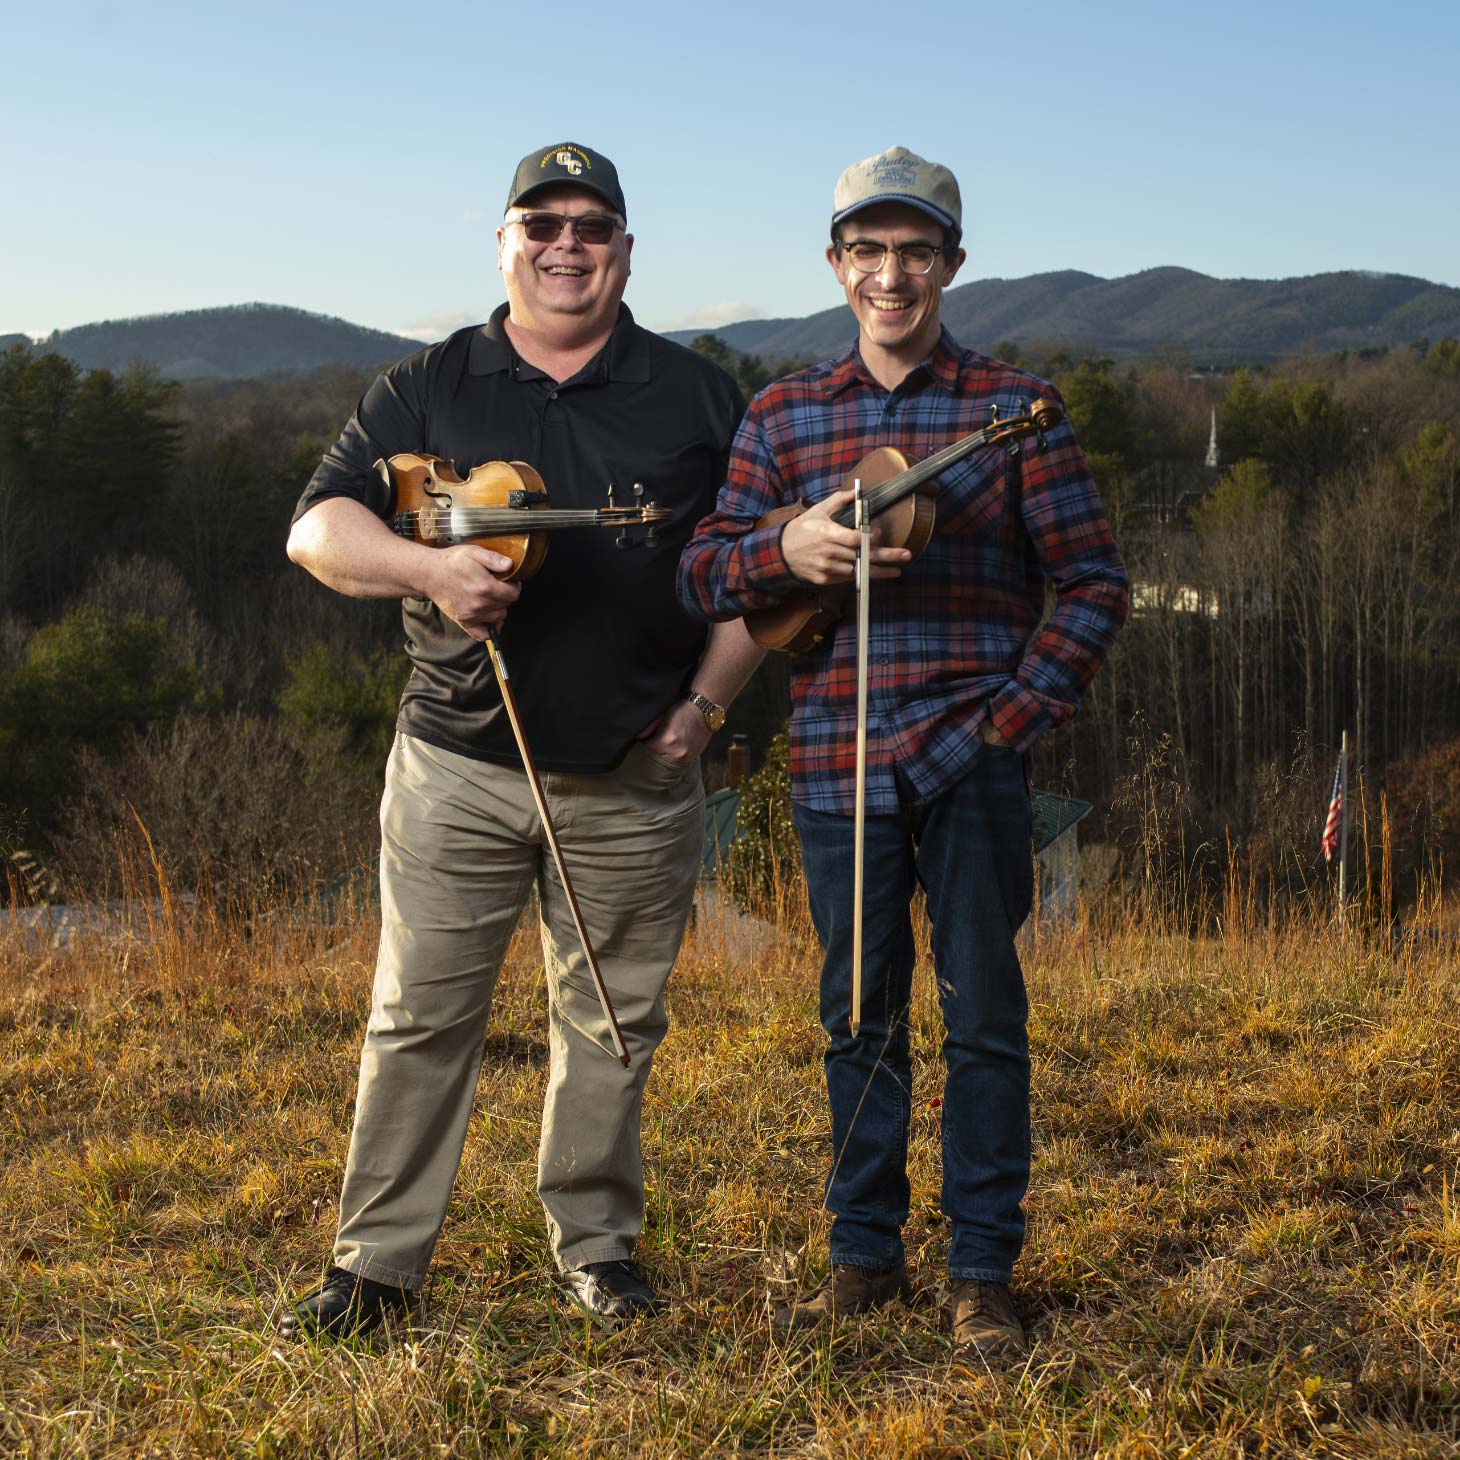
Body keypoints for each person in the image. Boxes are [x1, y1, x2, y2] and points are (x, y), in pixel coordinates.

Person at [282, 141, 762, 1336]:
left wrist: (703, 710)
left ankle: (596, 1247)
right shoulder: (429, 382)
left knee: (610, 1018)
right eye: (539, 221)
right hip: (455, 766)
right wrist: (426, 568)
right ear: (502, 242)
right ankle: (376, 1266)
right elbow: (317, 528)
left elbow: (761, 575)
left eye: (590, 225)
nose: (564, 243)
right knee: (418, 1014)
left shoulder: (700, 395)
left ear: (624, 250)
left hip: (634, 774)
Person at [678, 146, 1129, 1355]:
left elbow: (1090, 580)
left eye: (914, 251)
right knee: (856, 1016)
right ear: (835, 265)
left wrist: (1012, 718)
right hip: (834, 763)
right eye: (867, 251)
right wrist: (788, 551)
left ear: (951, 264)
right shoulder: (783, 414)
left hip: (969, 759)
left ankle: (981, 1267)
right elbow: (704, 568)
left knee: (983, 1016)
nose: (891, 274)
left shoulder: (1007, 405)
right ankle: (861, 1255)